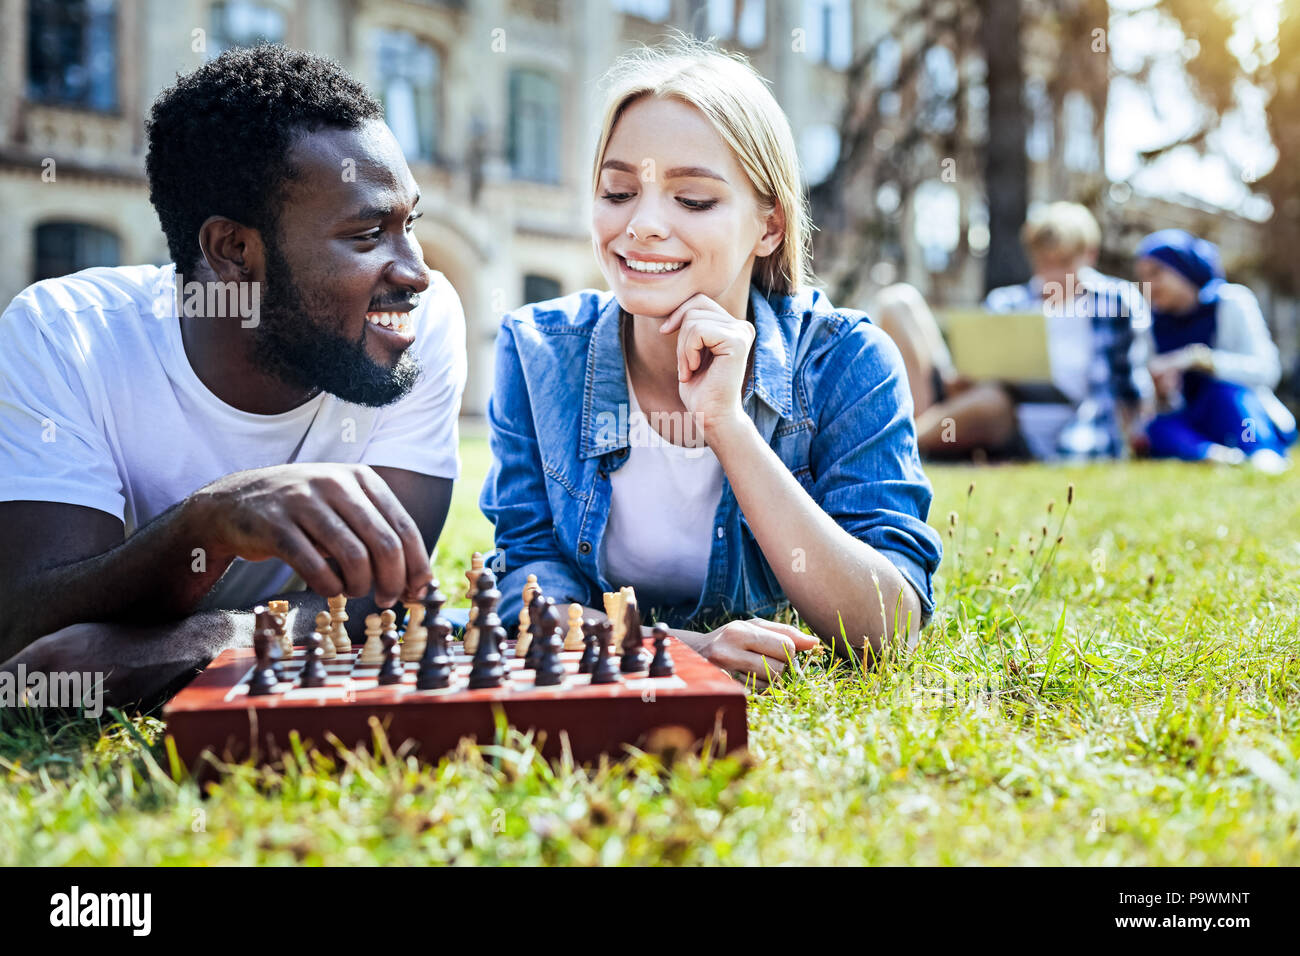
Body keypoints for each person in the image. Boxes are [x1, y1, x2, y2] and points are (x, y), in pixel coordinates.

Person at [0, 46, 466, 703]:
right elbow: (27, 634)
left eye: (408, 224)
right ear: (233, 252)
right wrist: (205, 525)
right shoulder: (65, 334)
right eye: (367, 235)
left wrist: (191, 644)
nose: (416, 270)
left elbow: (383, 603)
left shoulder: (421, 322)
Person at [479, 39, 943, 689]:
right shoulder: (538, 352)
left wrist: (728, 424)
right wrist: (676, 646)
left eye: (692, 200)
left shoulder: (848, 362)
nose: (641, 224)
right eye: (617, 191)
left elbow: (887, 627)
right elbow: (524, 595)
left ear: (770, 226)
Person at [882, 202, 1150, 461]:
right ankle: (911, 437)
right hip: (968, 400)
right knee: (898, 302)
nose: (1053, 274)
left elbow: (1133, 386)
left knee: (993, 400)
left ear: (1090, 254)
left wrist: (1137, 435)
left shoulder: (1115, 302)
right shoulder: (1007, 302)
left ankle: (897, 444)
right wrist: (968, 374)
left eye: (1064, 263)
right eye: (1045, 263)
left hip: (1036, 423)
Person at [1135, 229, 1295, 471]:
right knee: (1157, 427)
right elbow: (1159, 403)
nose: (1149, 285)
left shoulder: (1230, 302)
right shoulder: (1151, 324)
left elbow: (1267, 372)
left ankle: (1260, 450)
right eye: (1143, 277)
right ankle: (1213, 455)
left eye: (1156, 273)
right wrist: (1161, 393)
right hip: (1195, 421)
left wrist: (1199, 360)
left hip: (1245, 420)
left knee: (1226, 394)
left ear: (1183, 268)